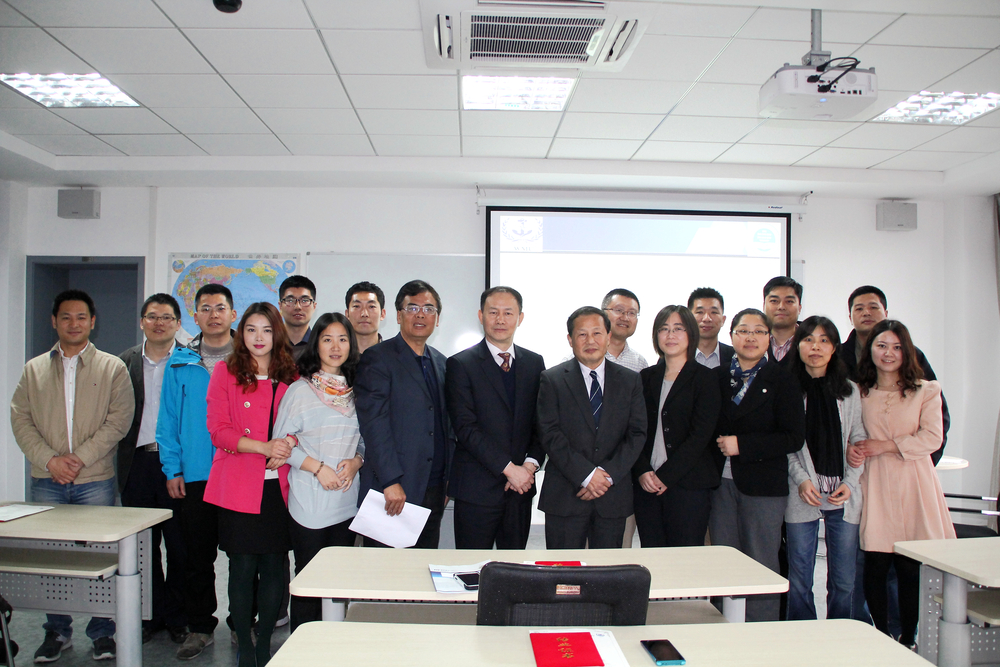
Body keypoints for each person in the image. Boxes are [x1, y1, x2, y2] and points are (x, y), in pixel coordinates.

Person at [10, 289, 134, 662]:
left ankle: (102, 632)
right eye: (66, 317)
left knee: (102, 558)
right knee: (51, 559)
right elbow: (21, 420)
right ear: (55, 322)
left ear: (92, 321)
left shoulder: (113, 368)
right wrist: (50, 460)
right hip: (46, 480)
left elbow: (119, 421)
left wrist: (78, 458)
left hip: (94, 479)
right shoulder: (33, 370)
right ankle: (57, 631)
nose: (74, 323)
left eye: (81, 317)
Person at [849, 319, 955, 649]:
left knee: (910, 567)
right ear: (870, 349)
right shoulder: (858, 391)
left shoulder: (926, 390)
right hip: (875, 482)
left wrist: (887, 445)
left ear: (906, 351)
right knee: (876, 562)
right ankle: (882, 635)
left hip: (914, 483)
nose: (888, 353)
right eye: (882, 346)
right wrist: (853, 450)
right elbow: (850, 432)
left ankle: (908, 638)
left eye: (896, 347)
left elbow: (933, 437)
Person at [205, 302, 298, 667]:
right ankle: (244, 642)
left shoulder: (291, 374)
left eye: (267, 330)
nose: (259, 338)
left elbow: (303, 423)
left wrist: (287, 444)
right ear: (241, 333)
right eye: (251, 329)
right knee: (241, 568)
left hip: (279, 487)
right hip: (238, 485)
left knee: (275, 566)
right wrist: (263, 447)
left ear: (277, 334)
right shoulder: (225, 372)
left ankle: (264, 643)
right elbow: (218, 430)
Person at [157, 284, 236, 660]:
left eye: (220, 308)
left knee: (243, 556)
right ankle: (200, 626)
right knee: (196, 558)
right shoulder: (180, 362)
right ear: (195, 316)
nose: (213, 315)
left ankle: (242, 623)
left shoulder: (250, 358)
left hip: (239, 472)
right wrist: (172, 469)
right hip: (196, 474)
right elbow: (167, 420)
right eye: (205, 308)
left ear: (232, 314)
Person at [710, 308, 804, 622]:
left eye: (758, 331)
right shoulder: (717, 377)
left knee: (761, 561)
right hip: (720, 485)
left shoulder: (783, 379)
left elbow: (793, 437)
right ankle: (723, 625)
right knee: (723, 559)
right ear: (731, 335)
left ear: (768, 338)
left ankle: (761, 630)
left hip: (764, 486)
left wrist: (744, 445)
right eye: (743, 331)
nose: (750, 338)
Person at [272, 312, 365, 631]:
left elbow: (365, 438)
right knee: (310, 580)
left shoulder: (357, 390)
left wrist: (357, 461)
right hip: (309, 501)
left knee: (339, 579)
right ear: (316, 345)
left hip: (346, 501)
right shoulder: (299, 391)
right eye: (327, 339)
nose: (335, 347)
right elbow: (279, 446)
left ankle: (334, 645)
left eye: (342, 339)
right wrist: (317, 468)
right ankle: (304, 644)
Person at [536, 306, 646, 549]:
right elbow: (549, 434)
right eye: (582, 334)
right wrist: (586, 476)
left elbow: (637, 434)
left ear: (608, 337)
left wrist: (604, 476)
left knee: (607, 570)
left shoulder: (630, 380)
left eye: (597, 333)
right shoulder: (552, 379)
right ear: (570, 340)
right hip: (566, 495)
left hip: (611, 496)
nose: (590, 341)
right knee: (563, 570)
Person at [355, 280, 454, 549]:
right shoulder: (378, 358)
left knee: (423, 567)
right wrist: (390, 481)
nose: (421, 315)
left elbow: (446, 426)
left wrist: (448, 481)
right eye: (412, 308)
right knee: (386, 570)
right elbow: (373, 425)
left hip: (433, 488)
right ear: (399, 315)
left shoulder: (442, 363)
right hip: (393, 490)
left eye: (429, 309)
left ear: (437, 318)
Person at [446, 287, 545, 549]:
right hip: (476, 491)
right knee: (471, 567)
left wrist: (528, 468)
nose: (500, 319)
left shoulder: (534, 363)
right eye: (493, 312)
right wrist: (510, 470)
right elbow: (465, 428)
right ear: (481, 316)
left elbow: (542, 424)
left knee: (513, 569)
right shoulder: (460, 364)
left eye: (508, 313)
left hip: (520, 491)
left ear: (520, 318)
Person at [784, 316, 866, 621]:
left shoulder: (850, 391)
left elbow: (858, 441)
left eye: (823, 340)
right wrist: (802, 480)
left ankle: (839, 633)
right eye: (808, 339)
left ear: (834, 348)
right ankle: (803, 635)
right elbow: (786, 445)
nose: (815, 347)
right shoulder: (788, 389)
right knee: (800, 579)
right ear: (798, 346)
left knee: (843, 581)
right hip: (802, 493)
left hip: (842, 497)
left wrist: (851, 483)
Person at [117, 293, 187, 645]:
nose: (159, 323)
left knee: (179, 546)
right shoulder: (123, 362)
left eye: (167, 317)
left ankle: (177, 617)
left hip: (178, 465)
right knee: (143, 547)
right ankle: (150, 615)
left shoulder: (190, 360)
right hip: (138, 463)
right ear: (142, 321)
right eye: (152, 317)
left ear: (178, 323)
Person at [632, 305, 720, 548]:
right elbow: (634, 430)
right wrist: (642, 470)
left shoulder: (706, 378)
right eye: (664, 329)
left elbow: (700, 435)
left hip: (689, 486)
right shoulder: (644, 377)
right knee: (652, 554)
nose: (670, 335)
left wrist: (666, 476)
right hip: (647, 485)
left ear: (691, 334)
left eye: (678, 329)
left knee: (684, 558)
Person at [841, 285, 949, 461]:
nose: (866, 313)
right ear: (850, 317)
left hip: (911, 463)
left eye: (873, 307)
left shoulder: (912, 355)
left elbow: (936, 419)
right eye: (859, 309)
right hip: (861, 465)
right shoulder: (836, 357)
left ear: (885, 313)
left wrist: (926, 461)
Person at [602, 288, 649, 372]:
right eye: (619, 310)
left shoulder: (640, 364)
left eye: (632, 313)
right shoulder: (585, 355)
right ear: (602, 314)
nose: (625, 318)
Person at [687, 287, 734, 369]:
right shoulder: (676, 356)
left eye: (714, 312)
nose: (707, 319)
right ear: (689, 318)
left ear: (723, 320)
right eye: (700, 312)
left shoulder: (735, 357)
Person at [762, 277, 802, 368]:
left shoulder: (811, 341)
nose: (781, 307)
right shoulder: (755, 341)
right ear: (764, 306)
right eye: (774, 301)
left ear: (799, 308)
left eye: (789, 301)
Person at [278, 276, 317, 360]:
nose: (298, 307)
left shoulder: (319, 345)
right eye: (290, 300)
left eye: (304, 300)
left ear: (314, 306)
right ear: (280, 306)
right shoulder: (270, 343)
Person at [345, 281, 386, 354]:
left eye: (371, 307)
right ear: (347, 314)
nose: (364, 314)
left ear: (382, 314)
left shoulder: (393, 356)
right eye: (357, 306)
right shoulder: (338, 356)